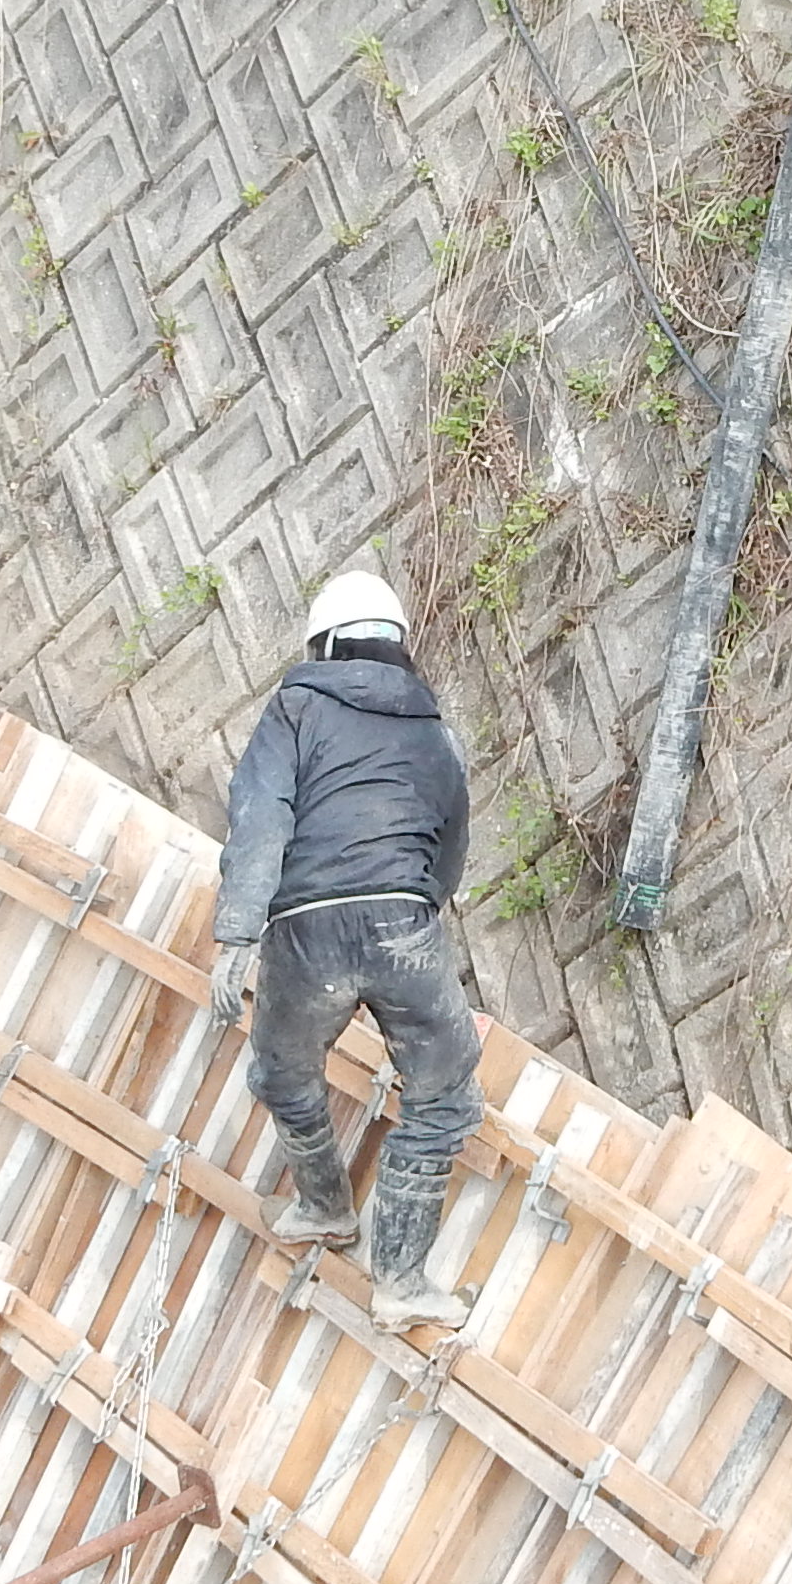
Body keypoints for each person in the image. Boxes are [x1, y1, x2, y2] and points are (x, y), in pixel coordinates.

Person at [207, 571, 483, 1333]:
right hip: (403, 923)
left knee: (284, 1069)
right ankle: (400, 1280)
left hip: (308, 932)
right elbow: (450, 846)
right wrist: (413, 912)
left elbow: (261, 816)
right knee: (444, 1095)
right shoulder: (436, 732)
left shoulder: (295, 708)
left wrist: (237, 934)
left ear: (323, 646)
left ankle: (326, 1207)